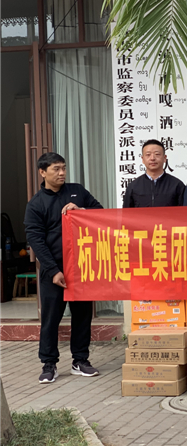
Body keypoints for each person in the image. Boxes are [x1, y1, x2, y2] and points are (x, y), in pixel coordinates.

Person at [24, 152, 103, 384]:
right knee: (51, 319)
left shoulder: (77, 191)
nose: (62, 173)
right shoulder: (36, 204)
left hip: (80, 267)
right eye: (56, 169)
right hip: (54, 271)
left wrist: (82, 210)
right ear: (42, 172)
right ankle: (49, 364)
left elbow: (101, 214)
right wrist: (53, 270)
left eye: (64, 168)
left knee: (82, 316)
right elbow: (36, 240)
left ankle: (80, 360)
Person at [122, 139, 185, 208]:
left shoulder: (177, 185)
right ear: (143, 159)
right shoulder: (133, 186)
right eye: (148, 155)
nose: (152, 158)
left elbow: (184, 212)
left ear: (164, 158)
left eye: (157, 154)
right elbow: (126, 213)